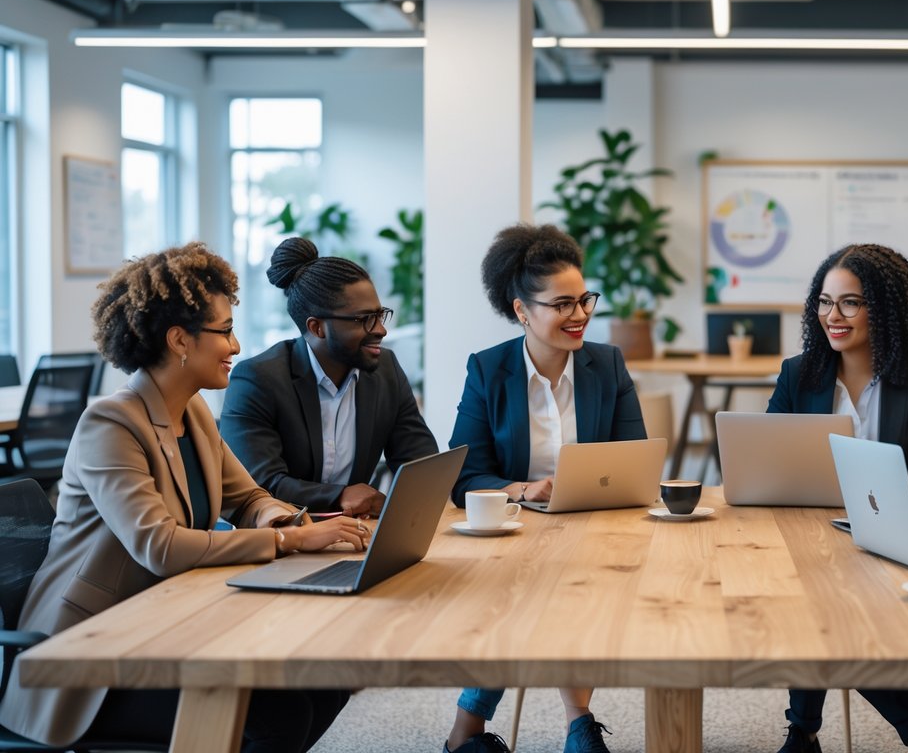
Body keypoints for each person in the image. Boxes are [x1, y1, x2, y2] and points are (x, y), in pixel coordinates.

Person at [0, 243, 366, 750]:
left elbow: (251, 497)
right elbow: (160, 545)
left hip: (161, 625)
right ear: (180, 340)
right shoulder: (110, 423)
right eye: (225, 331)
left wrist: (286, 523)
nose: (236, 346)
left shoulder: (193, 415)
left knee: (320, 686)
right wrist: (288, 545)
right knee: (277, 713)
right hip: (89, 657)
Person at [768, 244, 908, 753]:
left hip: (889, 537)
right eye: (824, 302)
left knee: (834, 604)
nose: (832, 316)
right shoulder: (799, 374)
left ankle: (802, 732)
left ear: (885, 308)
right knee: (815, 591)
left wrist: (887, 496)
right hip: (809, 532)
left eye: (850, 303)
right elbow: (769, 456)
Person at [445, 224, 646, 753]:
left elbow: (636, 459)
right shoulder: (489, 371)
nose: (579, 315)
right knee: (530, 585)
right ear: (521, 311)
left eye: (584, 300)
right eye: (562, 304)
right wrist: (524, 488)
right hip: (516, 530)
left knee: (577, 580)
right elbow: (464, 477)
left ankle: (476, 731)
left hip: (595, 526)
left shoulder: (608, 365)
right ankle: (575, 724)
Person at [220, 236, 437, 516]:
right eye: (364, 319)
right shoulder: (258, 380)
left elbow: (420, 461)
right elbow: (259, 486)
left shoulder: (385, 370)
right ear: (317, 328)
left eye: (381, 315)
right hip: (283, 539)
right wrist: (340, 496)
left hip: (357, 536)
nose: (381, 330)